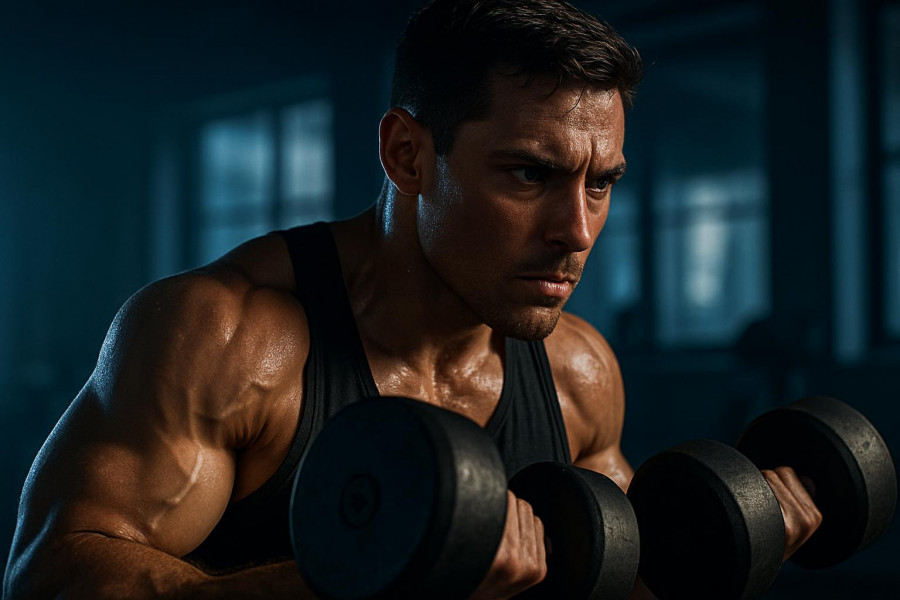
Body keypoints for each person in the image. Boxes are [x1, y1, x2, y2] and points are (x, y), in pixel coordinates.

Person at [3, 1, 822, 598]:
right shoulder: (230, 337)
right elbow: (50, 578)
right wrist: (371, 576)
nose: (575, 231)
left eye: (600, 183)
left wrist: (725, 547)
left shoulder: (577, 372)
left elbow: (603, 576)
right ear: (407, 155)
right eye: (529, 173)